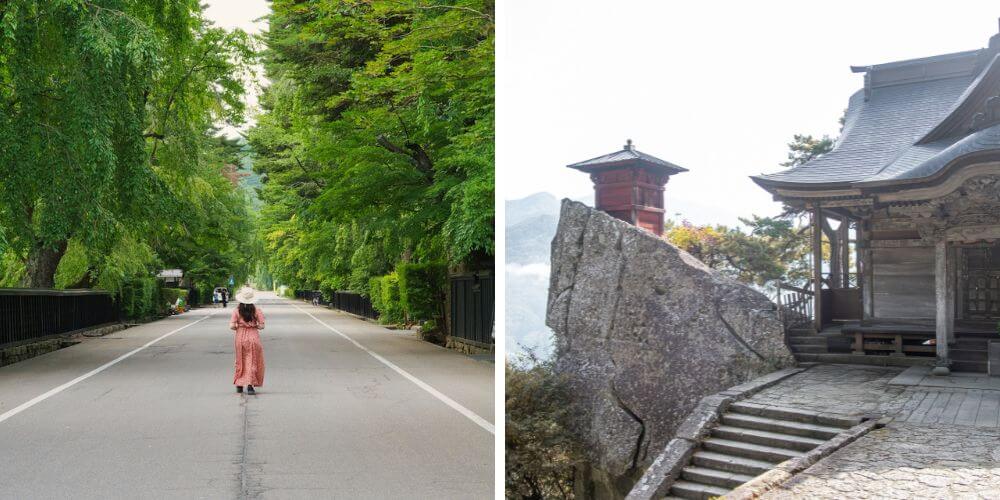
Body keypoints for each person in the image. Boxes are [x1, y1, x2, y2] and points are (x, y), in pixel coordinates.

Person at [230, 286, 265, 394]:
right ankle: (250, 385)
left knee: (240, 359)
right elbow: (262, 326)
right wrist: (254, 326)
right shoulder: (257, 310)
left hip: (240, 337)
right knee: (252, 360)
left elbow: (232, 326)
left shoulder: (236, 311)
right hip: (253, 336)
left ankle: (239, 384)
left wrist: (238, 326)